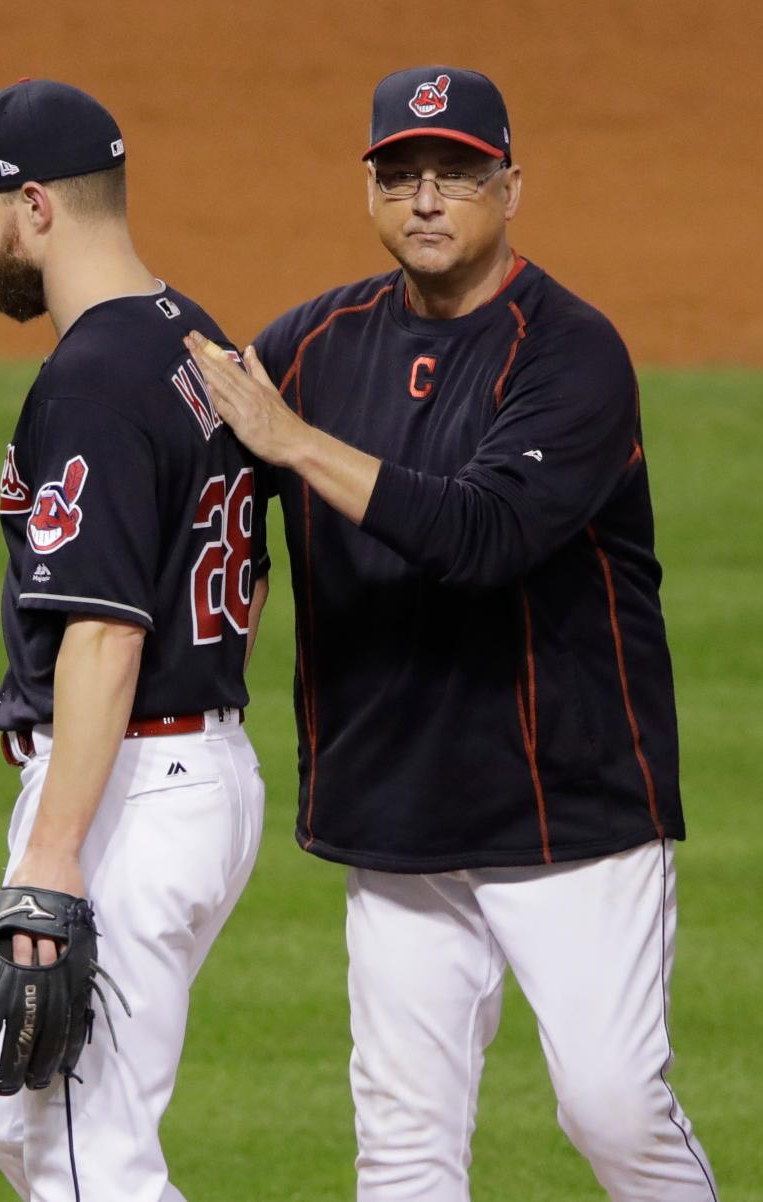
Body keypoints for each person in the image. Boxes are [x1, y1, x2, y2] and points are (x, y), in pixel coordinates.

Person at [186, 66, 718, 1201]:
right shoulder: (315, 343)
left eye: (458, 173)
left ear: (510, 187)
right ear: (371, 190)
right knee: (406, 1152)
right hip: (399, 816)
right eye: (402, 173)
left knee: (614, 1112)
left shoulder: (572, 353)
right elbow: (196, 441)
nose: (427, 198)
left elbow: (483, 531)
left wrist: (296, 444)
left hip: (567, 814)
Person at [0, 78, 267, 1202]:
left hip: (131, 788)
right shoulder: (183, 332)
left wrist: (55, 859)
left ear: (38, 206)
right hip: (181, 768)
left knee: (86, 1158)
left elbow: (106, 634)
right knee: (31, 1124)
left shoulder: (96, 380)